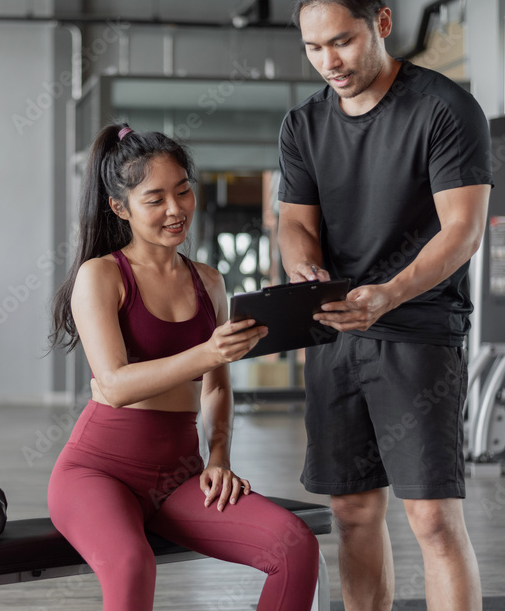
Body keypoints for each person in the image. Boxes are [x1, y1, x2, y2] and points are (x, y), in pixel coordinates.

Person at [276, 0, 492, 611]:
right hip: (335, 334)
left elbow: (462, 230)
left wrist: (391, 293)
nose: (329, 61)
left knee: (431, 520)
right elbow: (294, 225)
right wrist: (301, 265)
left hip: (418, 334)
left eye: (342, 40)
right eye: (314, 47)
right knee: (353, 515)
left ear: (382, 23)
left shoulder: (444, 110)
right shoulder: (304, 125)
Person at [48, 123, 319, 611]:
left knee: (295, 546)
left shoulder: (208, 282)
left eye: (183, 192)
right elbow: (113, 385)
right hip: (97, 474)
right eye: (155, 199)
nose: (176, 210)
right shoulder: (101, 276)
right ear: (119, 207)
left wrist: (219, 458)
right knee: (133, 565)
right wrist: (209, 352)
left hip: (180, 476)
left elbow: (215, 390)